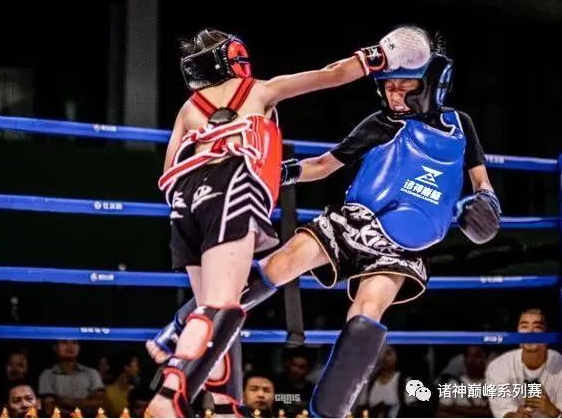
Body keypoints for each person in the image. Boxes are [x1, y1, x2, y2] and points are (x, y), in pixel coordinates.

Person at [147, 26, 432, 418]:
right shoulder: (260, 91)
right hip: (229, 188)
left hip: (183, 203)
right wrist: (379, 55)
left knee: (216, 310)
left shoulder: (187, 108)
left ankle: (227, 408)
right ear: (232, 59)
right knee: (222, 308)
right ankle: (170, 394)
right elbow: (333, 74)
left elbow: (169, 170)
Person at [485, 309, 562, 418]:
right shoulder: (499, 367)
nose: (530, 332)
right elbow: (504, 413)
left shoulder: (560, 365)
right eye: (524, 327)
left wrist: (552, 411)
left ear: (548, 336)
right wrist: (515, 416)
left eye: (537, 327)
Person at [38, 340, 105, 417]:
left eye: (74, 343)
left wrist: (65, 401)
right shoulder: (47, 375)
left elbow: (100, 403)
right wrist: (80, 409)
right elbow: (49, 408)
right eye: (64, 342)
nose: (70, 347)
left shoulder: (91, 373)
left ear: (79, 347)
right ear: (55, 347)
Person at [437, 346, 492, 418]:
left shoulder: (493, 383)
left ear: (486, 359)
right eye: (468, 356)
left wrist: (456, 409)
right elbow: (440, 413)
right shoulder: (454, 384)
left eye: (477, 356)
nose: (472, 360)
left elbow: (492, 412)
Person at [104, 352, 140, 418]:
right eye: (136, 365)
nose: (138, 369)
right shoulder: (107, 392)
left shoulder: (135, 391)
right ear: (126, 367)